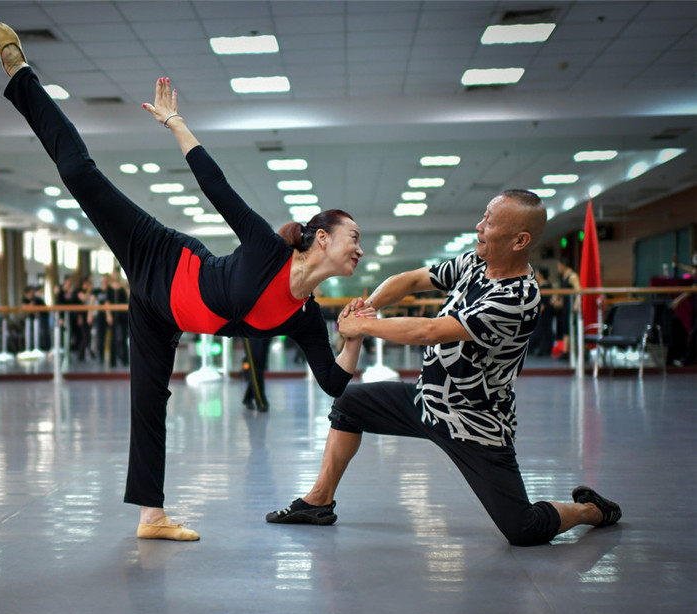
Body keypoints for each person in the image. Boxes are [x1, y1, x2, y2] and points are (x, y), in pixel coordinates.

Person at [0, 22, 365, 541]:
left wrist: (354, 340)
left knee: (148, 402)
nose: (360, 249)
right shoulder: (266, 248)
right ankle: (22, 75)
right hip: (161, 258)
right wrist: (175, 122)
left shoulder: (306, 316)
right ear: (322, 238)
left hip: (160, 312)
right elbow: (217, 186)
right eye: (354, 236)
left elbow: (333, 382)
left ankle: (151, 518)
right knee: (80, 175)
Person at [266, 190, 621, 546]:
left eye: (490, 223)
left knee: (522, 529)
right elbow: (412, 280)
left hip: (475, 423)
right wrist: (367, 307)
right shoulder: (474, 264)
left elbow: (430, 330)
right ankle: (319, 501)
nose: (479, 226)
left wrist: (363, 327)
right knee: (349, 406)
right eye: (484, 216)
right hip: (428, 401)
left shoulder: (517, 298)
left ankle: (590, 511)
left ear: (520, 240)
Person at [554, 257, 581, 357]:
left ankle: (572, 351)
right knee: (565, 327)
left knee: (571, 327)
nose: (558, 268)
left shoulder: (572, 276)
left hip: (571, 305)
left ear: (562, 265)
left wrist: (576, 305)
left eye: (558, 265)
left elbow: (578, 290)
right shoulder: (563, 276)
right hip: (565, 305)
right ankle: (566, 350)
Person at [529, 266, 556, 356]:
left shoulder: (547, 285)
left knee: (544, 330)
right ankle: (536, 347)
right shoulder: (538, 284)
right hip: (539, 310)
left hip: (545, 312)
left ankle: (544, 348)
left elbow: (545, 300)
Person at [242, 337, 271, 412]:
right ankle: (261, 401)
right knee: (255, 364)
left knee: (261, 363)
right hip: (250, 329)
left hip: (266, 328)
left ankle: (248, 397)